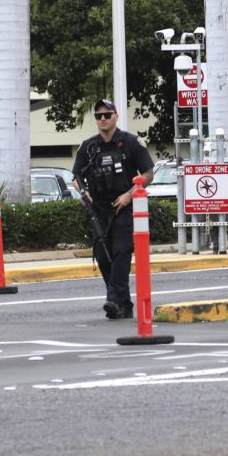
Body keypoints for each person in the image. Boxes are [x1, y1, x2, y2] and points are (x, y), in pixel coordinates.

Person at [72, 98, 155, 320]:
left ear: (116, 117)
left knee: (120, 252)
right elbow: (76, 177)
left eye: (107, 115)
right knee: (102, 254)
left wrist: (129, 195)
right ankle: (123, 304)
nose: (102, 119)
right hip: (99, 208)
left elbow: (148, 173)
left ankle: (112, 298)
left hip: (123, 207)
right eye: (98, 116)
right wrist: (84, 193)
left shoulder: (130, 143)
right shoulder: (88, 146)